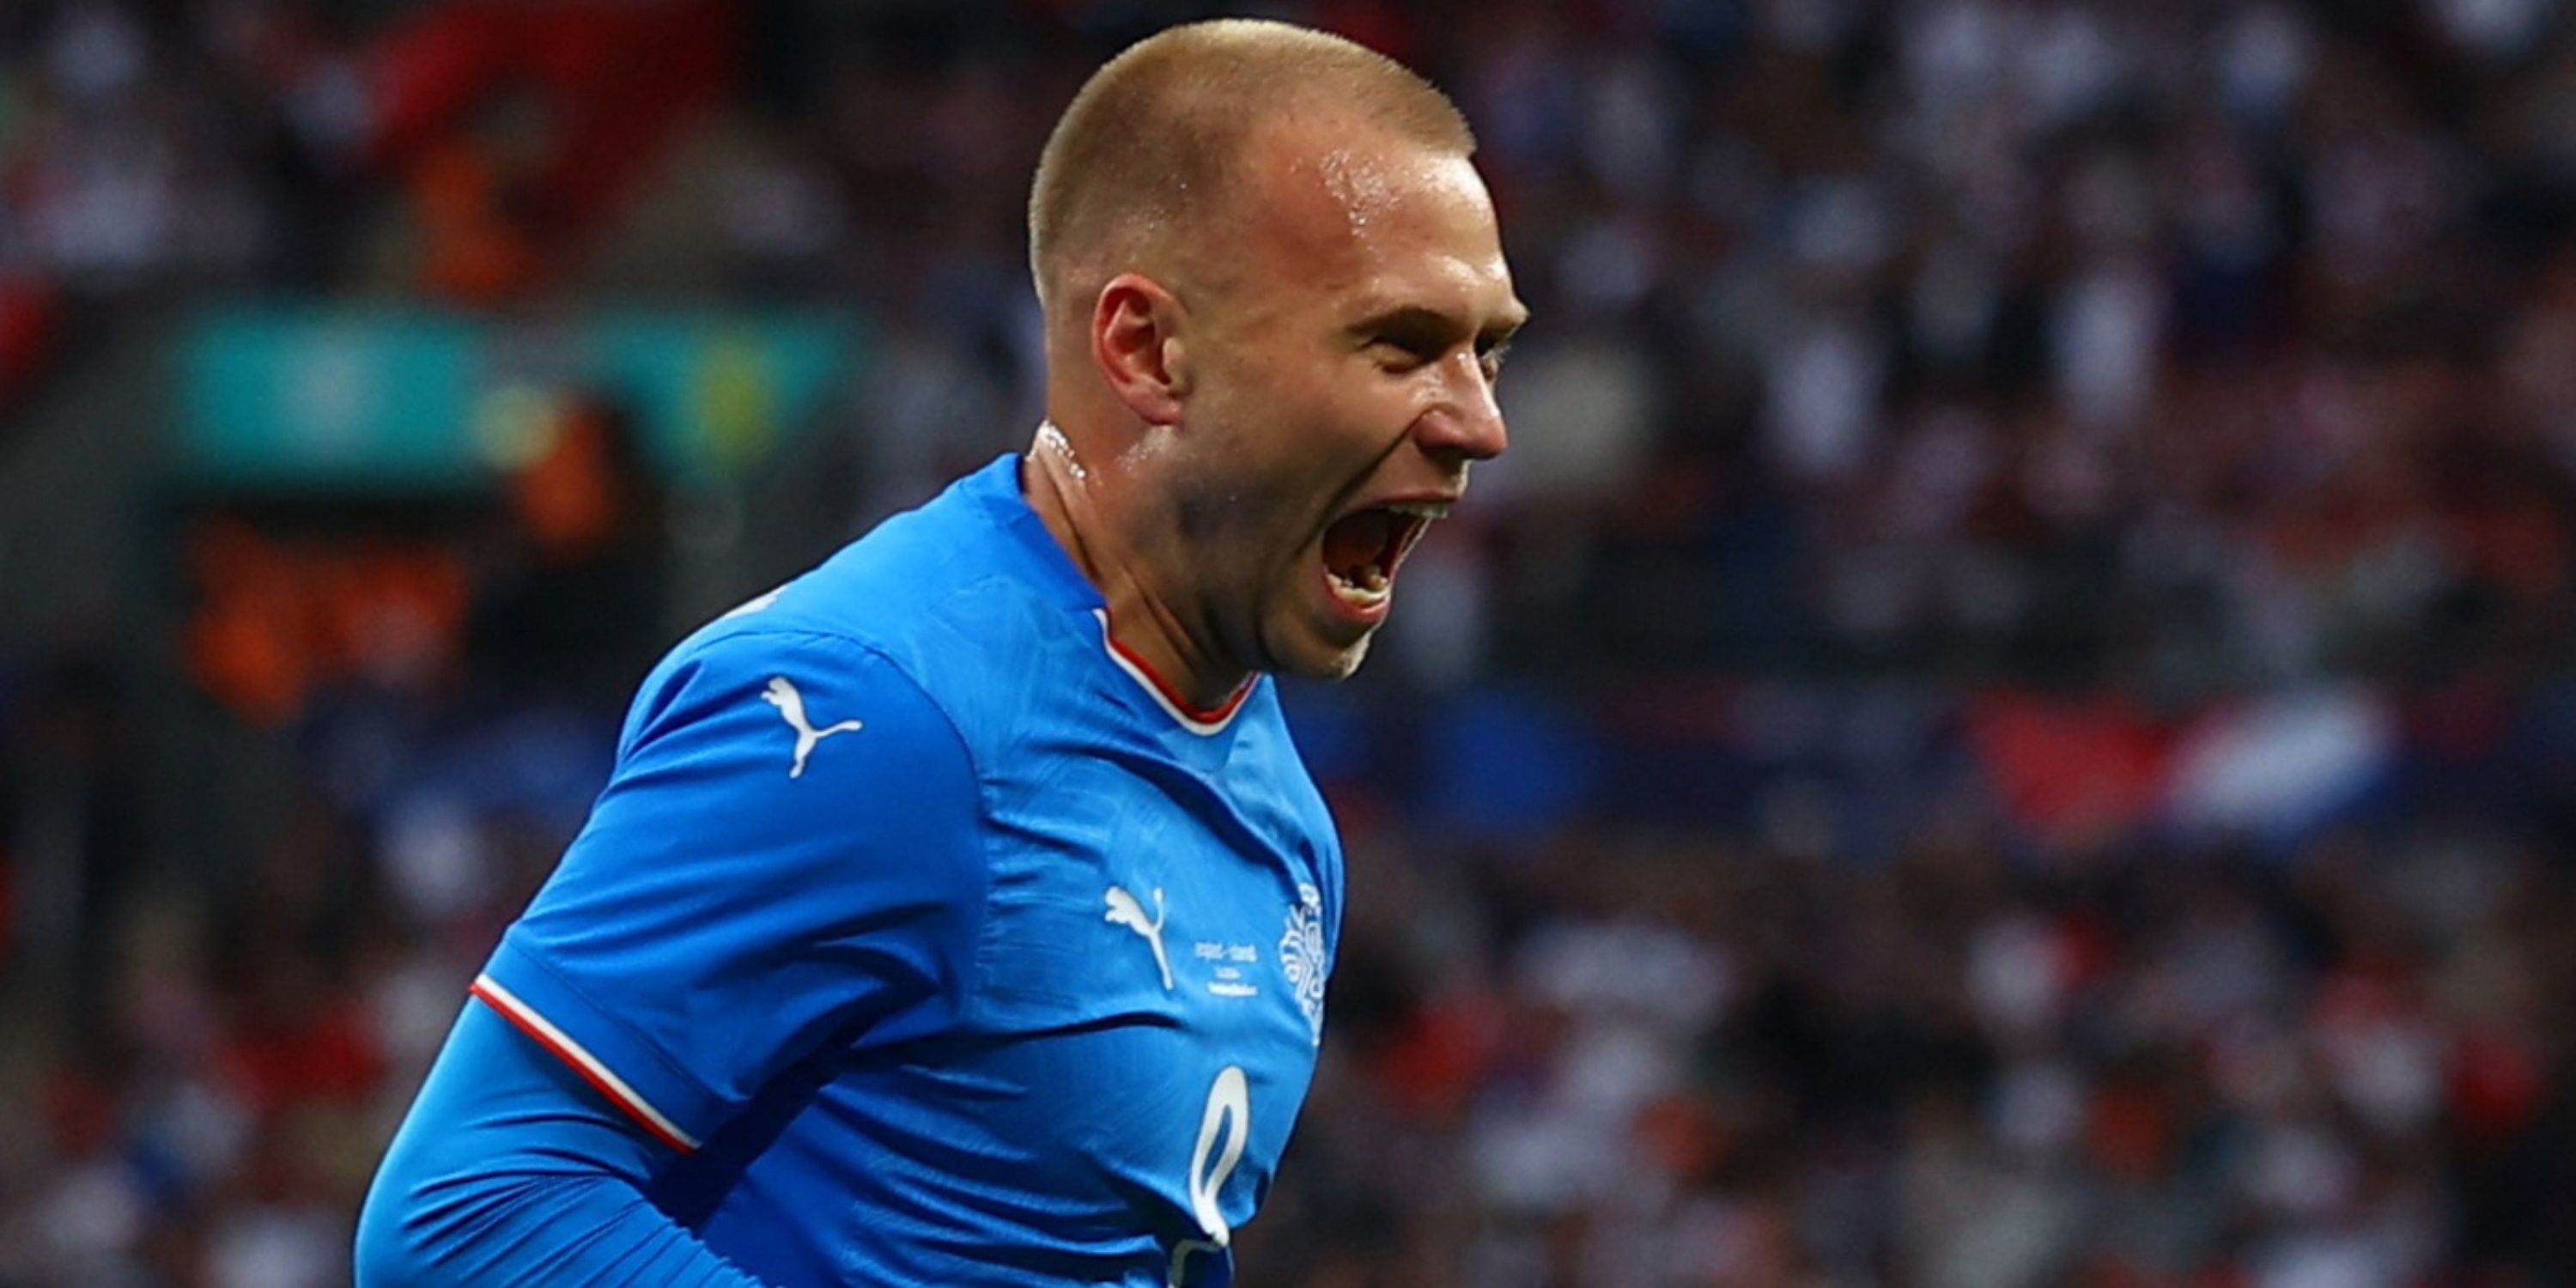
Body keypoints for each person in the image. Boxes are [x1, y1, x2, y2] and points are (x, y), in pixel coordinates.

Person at [354, 17, 1522, 1287]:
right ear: (1146, 351)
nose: (1481, 423)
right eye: (1400, 346)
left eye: (1489, 348)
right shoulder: (880, 710)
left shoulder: (1281, 816)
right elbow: (464, 1218)